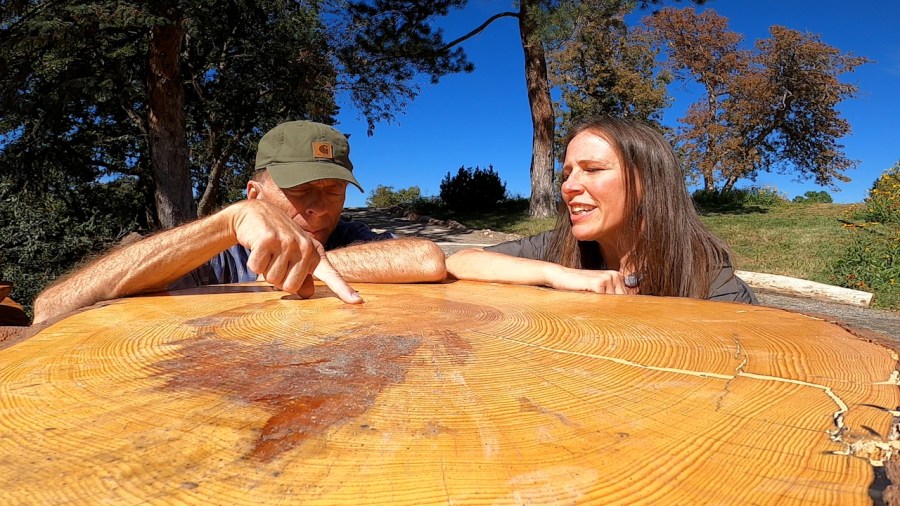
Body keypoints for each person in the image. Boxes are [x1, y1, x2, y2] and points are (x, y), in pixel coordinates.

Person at [33, 120, 447, 324]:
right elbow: (49, 309)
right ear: (254, 194)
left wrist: (299, 266)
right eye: (301, 191)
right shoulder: (209, 252)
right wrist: (225, 225)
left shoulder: (345, 236)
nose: (320, 208)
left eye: (334, 191)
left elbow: (426, 258)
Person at [446, 116, 757, 304]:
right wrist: (555, 274)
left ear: (648, 182)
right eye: (566, 174)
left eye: (592, 169)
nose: (568, 187)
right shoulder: (558, 247)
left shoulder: (710, 280)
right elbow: (462, 261)